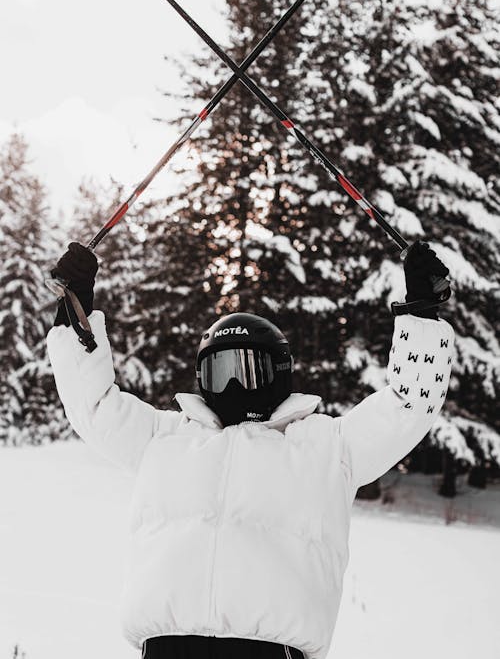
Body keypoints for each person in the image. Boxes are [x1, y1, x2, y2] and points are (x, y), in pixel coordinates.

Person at [47, 240, 454, 659]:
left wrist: (421, 315)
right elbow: (92, 405)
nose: (234, 387)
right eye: (221, 373)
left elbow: (408, 405)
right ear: (202, 378)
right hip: (167, 647)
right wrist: (74, 315)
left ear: (278, 373)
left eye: (248, 371)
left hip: (268, 650)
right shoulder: (164, 437)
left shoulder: (328, 446)